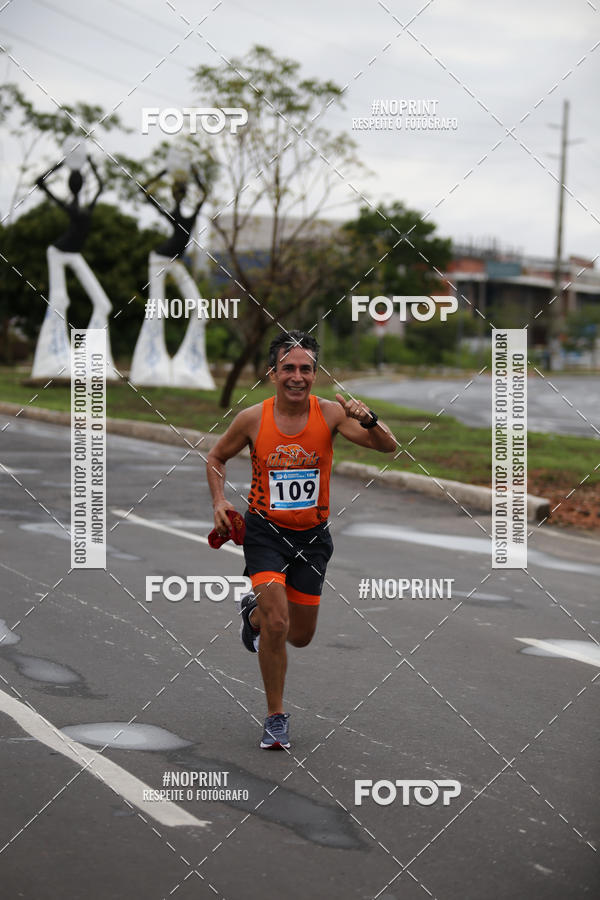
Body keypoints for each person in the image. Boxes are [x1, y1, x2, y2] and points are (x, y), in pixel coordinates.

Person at [206, 331, 396, 750]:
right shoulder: (252, 418)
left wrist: (369, 418)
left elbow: (388, 447)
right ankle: (275, 717)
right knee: (279, 623)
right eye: (288, 368)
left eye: (306, 369)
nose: (297, 376)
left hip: (312, 538)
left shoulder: (329, 414)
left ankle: (252, 615)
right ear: (272, 373)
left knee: (300, 635)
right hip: (264, 532)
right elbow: (217, 457)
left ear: (315, 374)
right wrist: (220, 500)